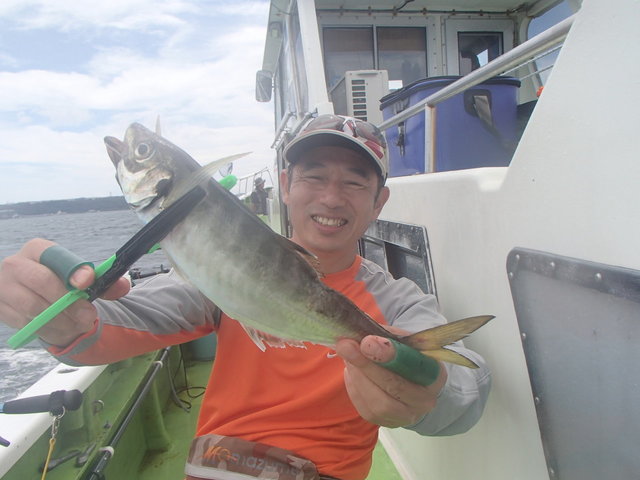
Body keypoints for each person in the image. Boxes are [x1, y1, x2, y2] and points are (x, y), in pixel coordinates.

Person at [0, 114, 490, 480]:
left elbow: (466, 395)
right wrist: (62, 318)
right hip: (215, 469)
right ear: (286, 186)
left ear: (379, 201)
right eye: (314, 176)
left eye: (355, 181)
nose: (331, 197)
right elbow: (105, 330)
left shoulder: (399, 299)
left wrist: (427, 389)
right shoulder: (223, 269)